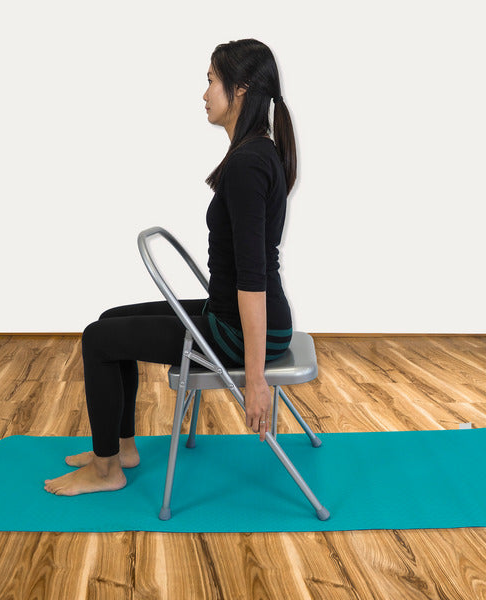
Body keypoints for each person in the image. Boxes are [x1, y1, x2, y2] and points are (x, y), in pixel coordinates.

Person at [45, 38, 297, 496]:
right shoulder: (258, 153)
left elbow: (253, 278)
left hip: (241, 328)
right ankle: (120, 448)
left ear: (240, 89)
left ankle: (106, 471)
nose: (204, 93)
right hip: (242, 317)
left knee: (96, 340)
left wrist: (255, 378)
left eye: (211, 81)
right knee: (108, 323)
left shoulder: (247, 165)